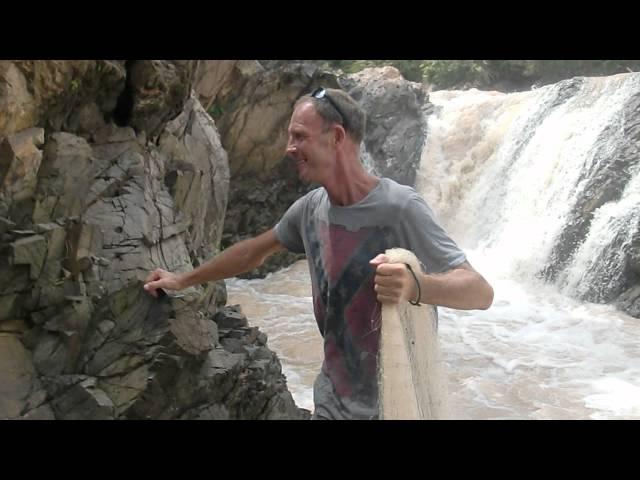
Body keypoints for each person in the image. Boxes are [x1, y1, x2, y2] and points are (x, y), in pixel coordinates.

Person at [144, 86, 494, 420]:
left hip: (396, 407)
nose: (288, 148)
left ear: (337, 137)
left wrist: (416, 286)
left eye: (299, 136)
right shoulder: (311, 209)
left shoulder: (399, 207)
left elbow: (479, 292)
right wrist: (183, 279)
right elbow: (252, 252)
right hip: (331, 404)